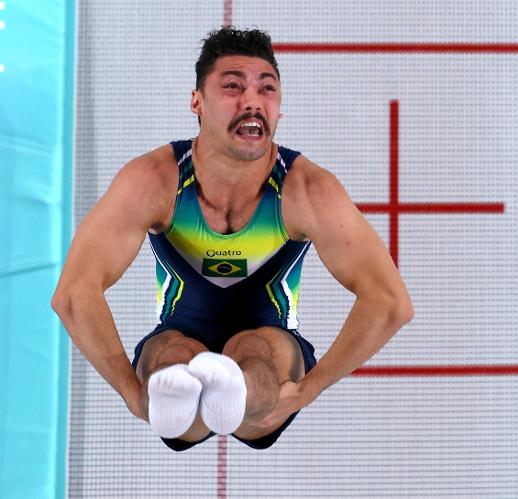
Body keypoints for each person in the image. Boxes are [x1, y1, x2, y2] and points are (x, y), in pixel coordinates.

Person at [51, 27, 413, 451]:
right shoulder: (153, 181)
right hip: (178, 336)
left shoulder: (305, 190)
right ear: (196, 103)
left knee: (254, 352)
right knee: (171, 360)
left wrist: (309, 389)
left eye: (267, 89)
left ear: (278, 110)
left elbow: (390, 302)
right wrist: (131, 390)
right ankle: (194, 392)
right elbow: (74, 293)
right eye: (232, 87)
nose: (252, 101)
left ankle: (232, 390)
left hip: (271, 351)